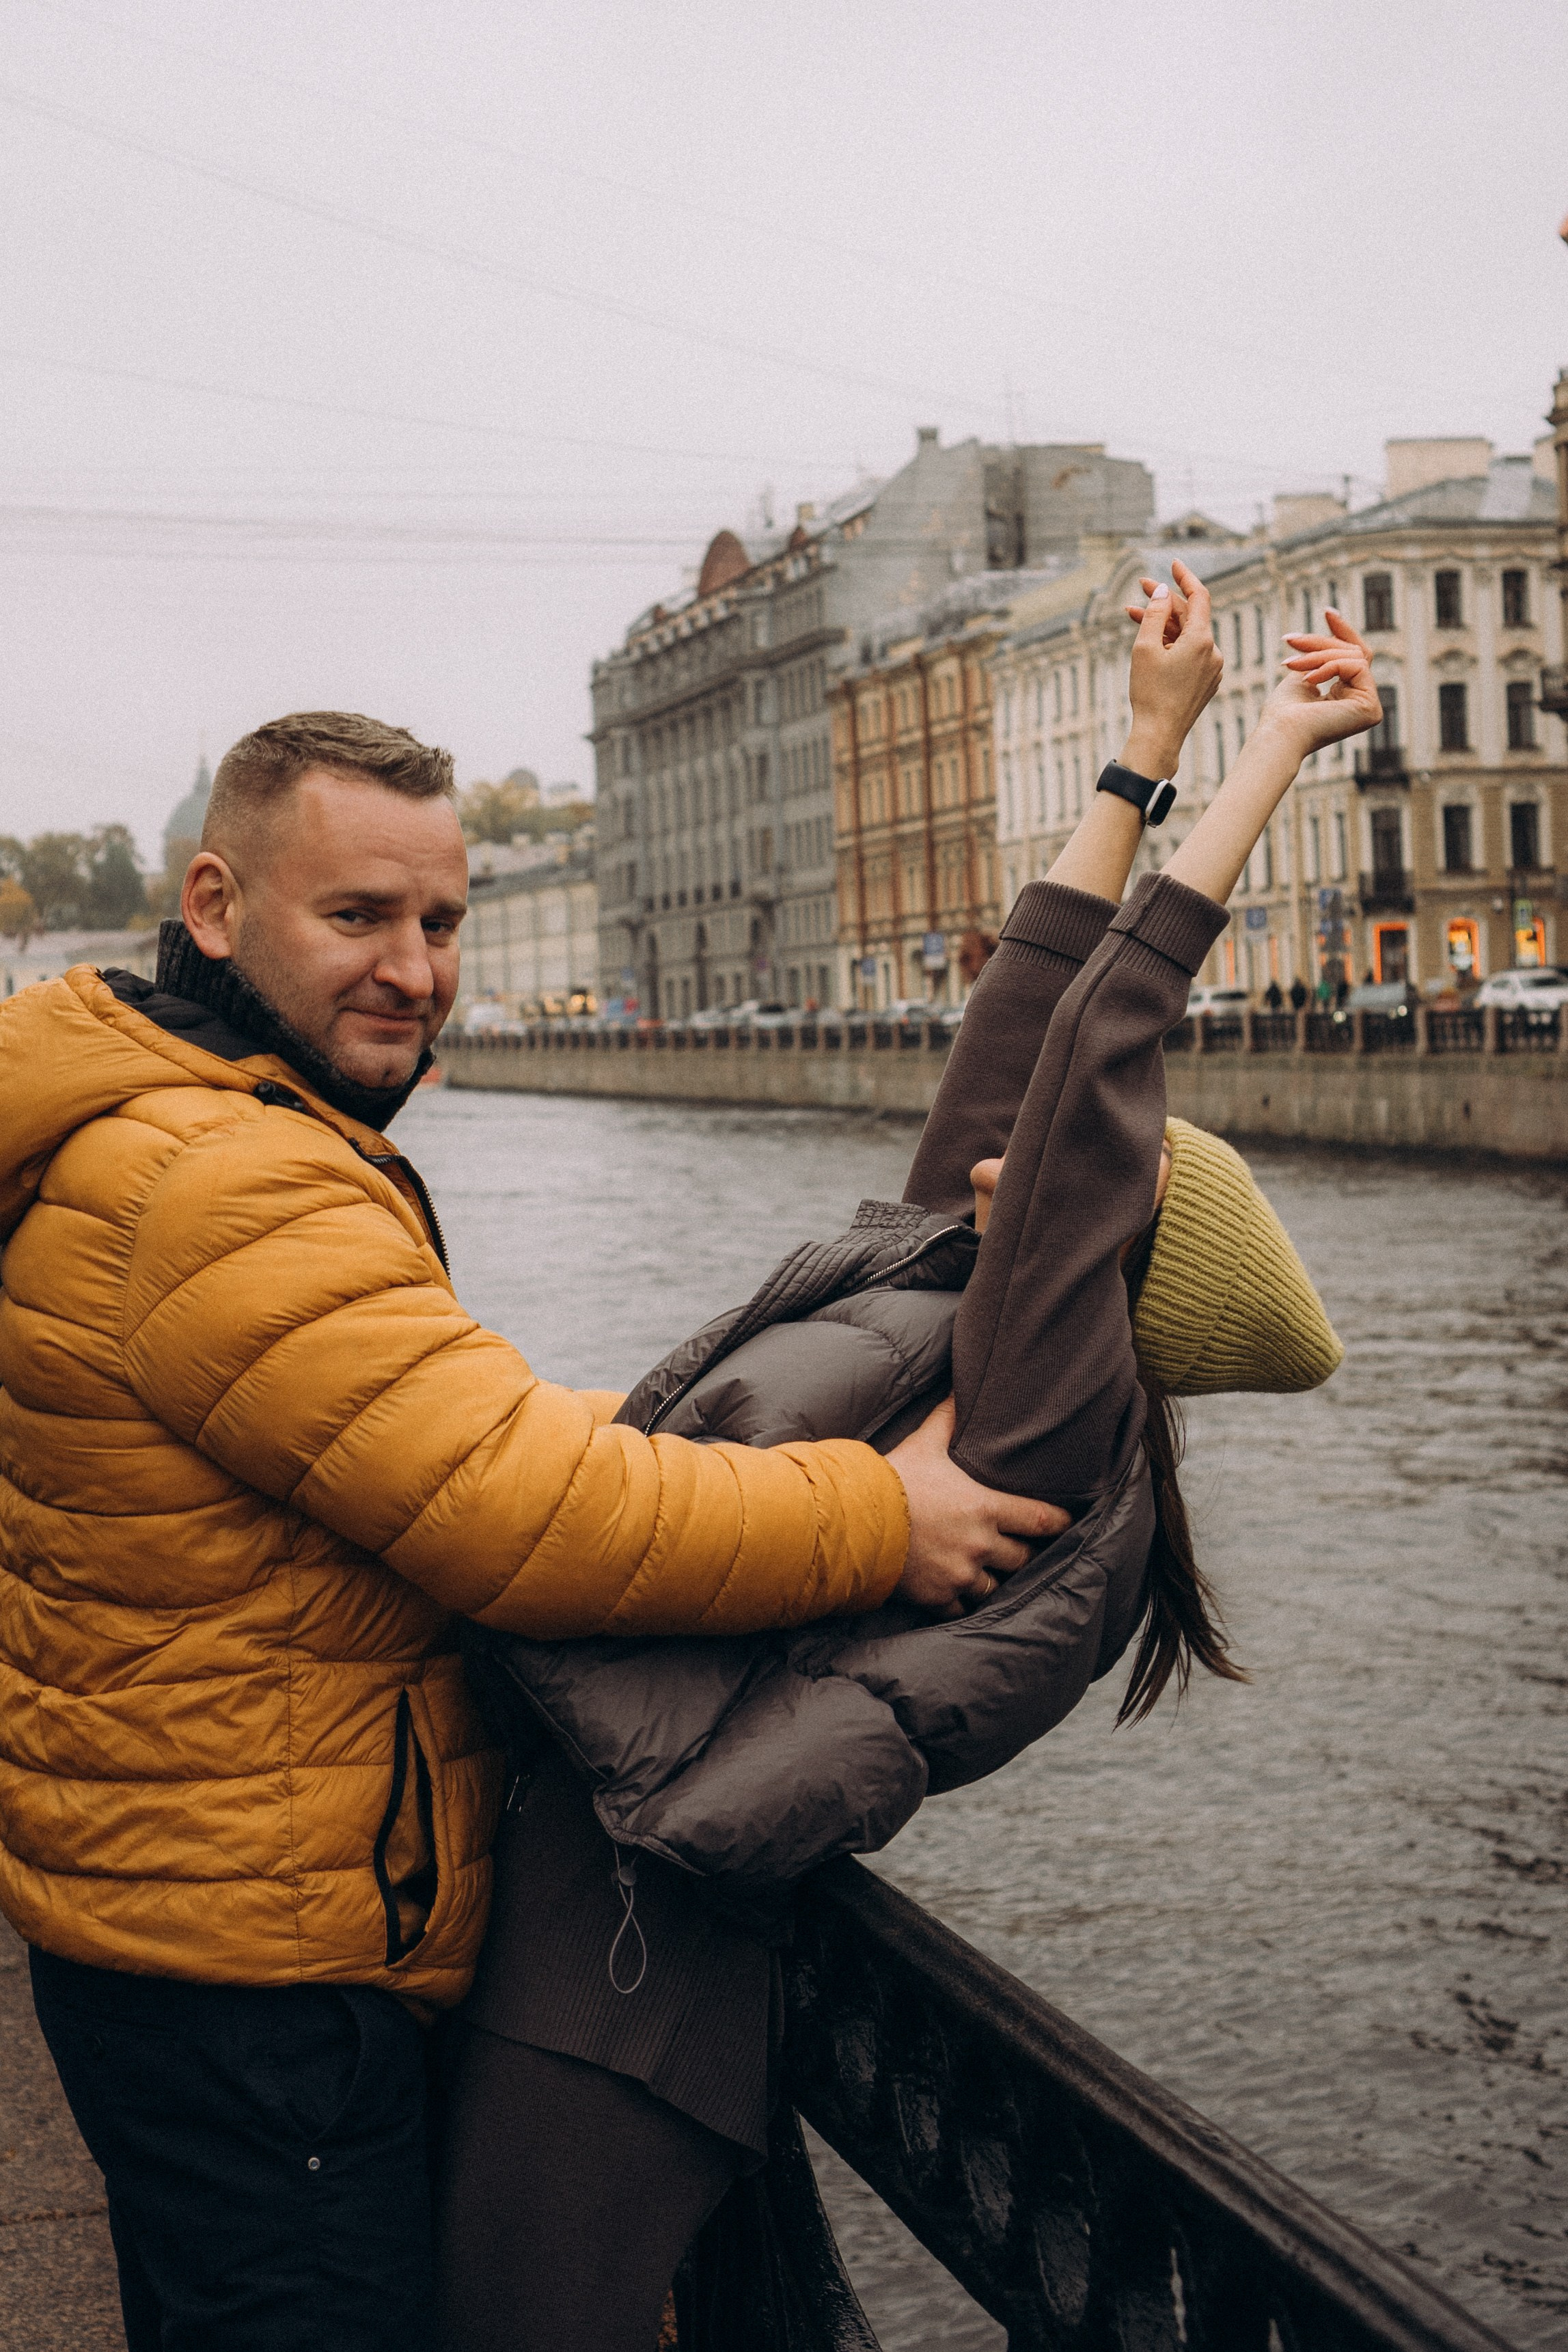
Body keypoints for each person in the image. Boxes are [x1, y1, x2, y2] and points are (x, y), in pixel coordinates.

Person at [0, 711, 1058, 2352]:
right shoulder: (220, 1182)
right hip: (264, 1968)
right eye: (357, 916)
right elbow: (534, 1514)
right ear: (213, 905)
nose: (414, 971)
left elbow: (424, 1436)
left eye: (440, 924)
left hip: (189, 1901)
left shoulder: (177, 1123)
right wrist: (879, 1512)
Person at [437, 574, 1379, 2352]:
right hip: (580, 1889)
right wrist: (1147, 741)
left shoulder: (1047, 1429)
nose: (1044, 1147)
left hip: (625, 1979)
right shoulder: (950, 1297)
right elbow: (1029, 1013)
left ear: (1114, 1263)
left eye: (1110, 1168)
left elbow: (1104, 1041)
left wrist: (1276, 746)